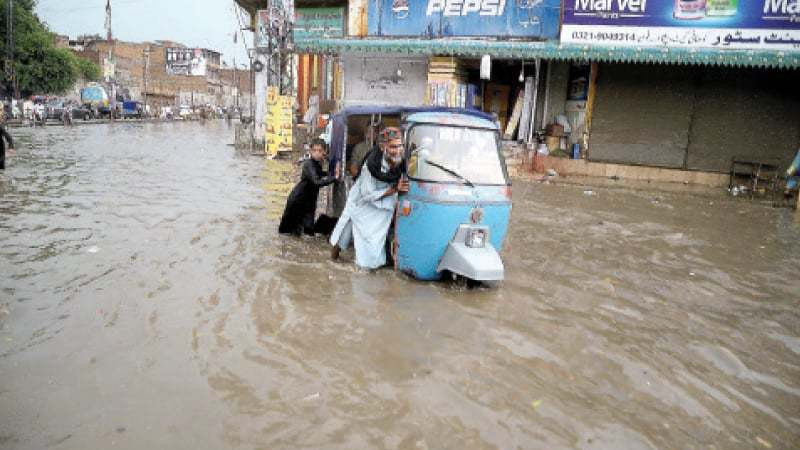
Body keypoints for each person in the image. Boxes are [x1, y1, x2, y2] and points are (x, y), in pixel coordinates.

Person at [329, 127, 409, 269]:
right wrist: (393, 190)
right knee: (341, 239)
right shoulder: (370, 166)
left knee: (373, 247)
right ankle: (331, 265)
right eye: (393, 147)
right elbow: (367, 194)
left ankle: (368, 271)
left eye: (400, 146)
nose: (397, 150)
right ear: (383, 146)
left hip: (381, 210)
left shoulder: (402, 160)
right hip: (361, 205)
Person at [278, 138, 340, 236]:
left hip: (309, 201)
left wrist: (330, 167)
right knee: (290, 233)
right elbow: (316, 181)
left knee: (308, 231)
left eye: (320, 151)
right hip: (298, 201)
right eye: (314, 150)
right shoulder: (308, 164)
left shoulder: (317, 164)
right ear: (310, 151)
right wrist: (334, 178)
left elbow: (322, 173)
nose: (317, 153)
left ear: (324, 152)